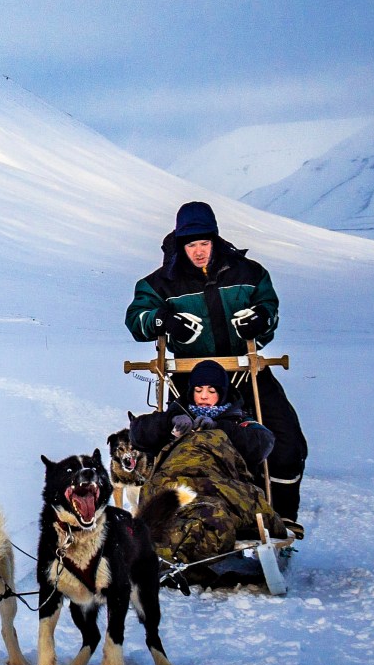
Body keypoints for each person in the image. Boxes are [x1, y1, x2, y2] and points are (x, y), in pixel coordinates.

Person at [125, 201, 308, 520]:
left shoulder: (249, 273)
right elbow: (137, 318)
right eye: (191, 244)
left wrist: (261, 318)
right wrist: (161, 320)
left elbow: (269, 306)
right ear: (180, 244)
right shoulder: (160, 283)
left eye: (204, 243)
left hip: (246, 373)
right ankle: (188, 520)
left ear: (216, 239)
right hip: (192, 382)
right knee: (182, 449)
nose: (198, 251)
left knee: (287, 443)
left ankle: (282, 520)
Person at [128, 358, 276, 484]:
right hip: (175, 486)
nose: (204, 396)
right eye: (198, 390)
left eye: (211, 391)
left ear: (222, 394)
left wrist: (220, 428)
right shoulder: (178, 413)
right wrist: (169, 421)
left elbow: (263, 443)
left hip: (223, 486)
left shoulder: (237, 419)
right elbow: (137, 435)